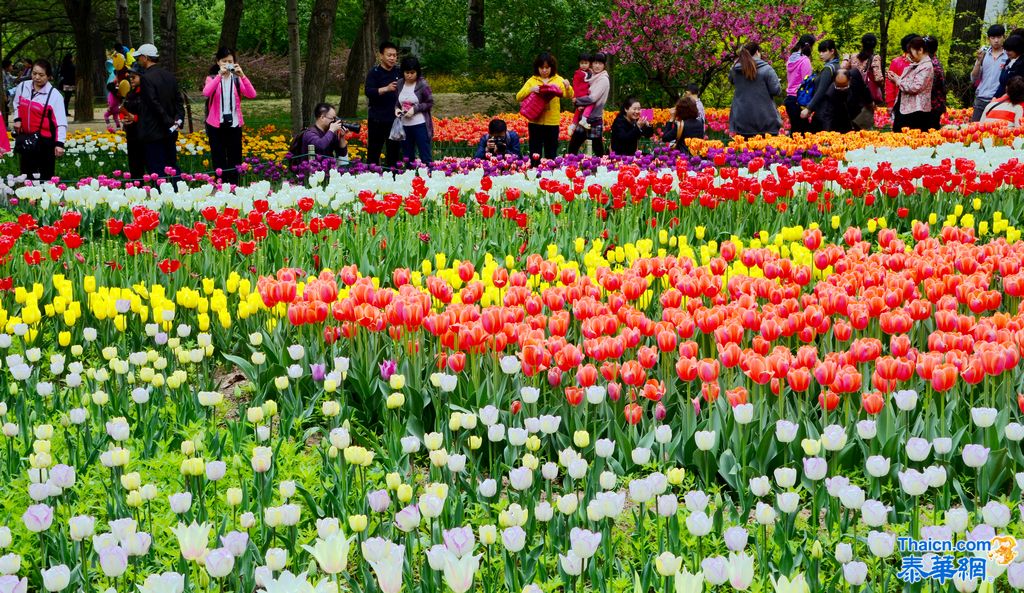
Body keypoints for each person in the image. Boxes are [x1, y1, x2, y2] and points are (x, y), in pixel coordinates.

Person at [203, 47, 257, 184]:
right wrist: (220, 75)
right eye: (224, 61)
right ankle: (221, 185)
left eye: (230, 61)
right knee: (218, 158)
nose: (227, 64)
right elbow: (206, 92)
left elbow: (252, 94)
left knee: (235, 158)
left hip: (234, 125)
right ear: (218, 62)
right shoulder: (212, 78)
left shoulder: (237, 80)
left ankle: (234, 186)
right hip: (216, 125)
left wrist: (243, 76)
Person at [11, 59, 67, 181]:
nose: (37, 77)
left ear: (49, 76)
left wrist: (59, 144)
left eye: (41, 75)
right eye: (34, 73)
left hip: (45, 141)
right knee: (26, 175)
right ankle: (27, 199)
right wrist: (17, 118)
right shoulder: (23, 86)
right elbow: (17, 103)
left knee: (45, 177)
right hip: (26, 138)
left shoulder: (54, 96)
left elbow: (61, 123)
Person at [135, 43, 184, 179]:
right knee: (172, 165)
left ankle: (161, 197)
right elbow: (178, 100)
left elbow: (153, 104)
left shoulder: (146, 78)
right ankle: (179, 193)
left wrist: (168, 122)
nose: (138, 60)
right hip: (170, 131)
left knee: (156, 168)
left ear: (145, 58)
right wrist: (177, 120)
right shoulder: (169, 76)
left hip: (153, 130)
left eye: (139, 57)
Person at [516, 52, 573, 164]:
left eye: (547, 67)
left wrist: (568, 86)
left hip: (552, 122)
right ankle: (535, 174)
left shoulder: (558, 80)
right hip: (535, 121)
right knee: (535, 151)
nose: (544, 70)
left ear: (552, 67)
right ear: (538, 68)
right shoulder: (532, 80)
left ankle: (549, 176)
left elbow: (569, 95)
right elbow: (518, 96)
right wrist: (531, 89)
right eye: (541, 67)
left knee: (551, 152)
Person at [729, 42, 783, 138]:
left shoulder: (735, 70)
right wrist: (777, 82)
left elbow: (732, 81)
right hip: (765, 120)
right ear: (757, 52)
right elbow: (776, 91)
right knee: (766, 151)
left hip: (742, 119)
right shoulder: (767, 69)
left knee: (745, 151)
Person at [364, 41, 402, 168]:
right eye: (389, 55)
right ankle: (370, 180)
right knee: (374, 153)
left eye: (395, 55)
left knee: (394, 154)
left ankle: (394, 180)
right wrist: (386, 89)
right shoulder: (374, 73)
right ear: (381, 55)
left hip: (395, 121)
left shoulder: (399, 72)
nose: (392, 58)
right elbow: (368, 91)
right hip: (377, 120)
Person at [566, 52, 609, 156]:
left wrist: (577, 101)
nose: (597, 66)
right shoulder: (590, 75)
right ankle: (571, 169)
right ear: (591, 63)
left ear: (604, 65)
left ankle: (602, 170)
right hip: (582, 120)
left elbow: (593, 98)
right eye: (595, 63)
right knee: (573, 147)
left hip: (594, 120)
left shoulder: (603, 79)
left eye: (600, 63)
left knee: (598, 150)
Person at [887, 36, 933, 131]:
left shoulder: (926, 66)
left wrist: (898, 81)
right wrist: (896, 78)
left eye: (911, 53)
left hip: (915, 111)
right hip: (907, 109)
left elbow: (915, 87)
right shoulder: (919, 64)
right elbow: (910, 81)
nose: (910, 56)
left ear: (920, 50)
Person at [395, 56, 434, 165]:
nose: (409, 75)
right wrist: (397, 109)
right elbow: (398, 102)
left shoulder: (422, 85)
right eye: (407, 72)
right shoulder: (400, 84)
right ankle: (410, 178)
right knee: (407, 157)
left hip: (420, 124)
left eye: (412, 72)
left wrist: (415, 109)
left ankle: (430, 176)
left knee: (425, 155)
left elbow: (430, 102)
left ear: (417, 72)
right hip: (404, 125)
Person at [801, 40, 841, 132]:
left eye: (824, 51)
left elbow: (821, 90)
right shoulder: (837, 66)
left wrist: (809, 108)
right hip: (833, 110)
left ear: (832, 51)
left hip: (824, 111)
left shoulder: (828, 69)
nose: (821, 54)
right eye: (820, 51)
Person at [970, 25, 1008, 121]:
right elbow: (973, 78)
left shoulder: (1008, 56)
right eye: (993, 38)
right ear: (988, 39)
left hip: (999, 100)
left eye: (999, 37)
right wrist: (978, 62)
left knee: (994, 132)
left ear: (1004, 37)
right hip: (981, 99)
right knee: (974, 130)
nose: (996, 40)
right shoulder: (983, 54)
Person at [847, 33, 884, 129]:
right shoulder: (875, 57)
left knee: (852, 120)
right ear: (874, 44)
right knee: (864, 123)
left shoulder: (853, 56)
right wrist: (881, 85)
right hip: (867, 95)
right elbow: (878, 77)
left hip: (853, 93)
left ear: (862, 43)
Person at [785, 34, 815, 134]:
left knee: (795, 131)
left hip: (789, 98)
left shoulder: (790, 59)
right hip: (799, 100)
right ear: (810, 46)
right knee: (803, 133)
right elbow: (807, 83)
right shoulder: (804, 61)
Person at [120, 67, 146, 180]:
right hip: (131, 133)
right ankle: (136, 185)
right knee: (134, 162)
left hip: (144, 132)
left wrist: (135, 118)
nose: (131, 80)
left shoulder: (146, 93)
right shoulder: (130, 94)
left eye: (134, 77)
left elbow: (149, 113)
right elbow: (124, 107)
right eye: (130, 77)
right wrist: (123, 118)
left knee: (145, 160)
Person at [886, 34, 919, 114]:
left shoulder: (922, 63)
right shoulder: (896, 62)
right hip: (899, 103)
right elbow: (890, 85)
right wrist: (890, 103)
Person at [924, 36, 948, 130]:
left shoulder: (931, 65)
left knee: (930, 133)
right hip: (935, 105)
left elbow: (927, 87)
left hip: (932, 106)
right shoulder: (935, 62)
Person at [569, 52, 593, 134]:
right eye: (582, 63)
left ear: (589, 63)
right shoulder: (578, 73)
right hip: (581, 95)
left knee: (578, 110)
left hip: (586, 94)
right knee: (591, 103)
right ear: (579, 63)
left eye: (586, 63)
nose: (583, 65)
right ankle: (583, 119)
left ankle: (573, 125)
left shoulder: (590, 72)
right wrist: (575, 97)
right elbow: (575, 85)